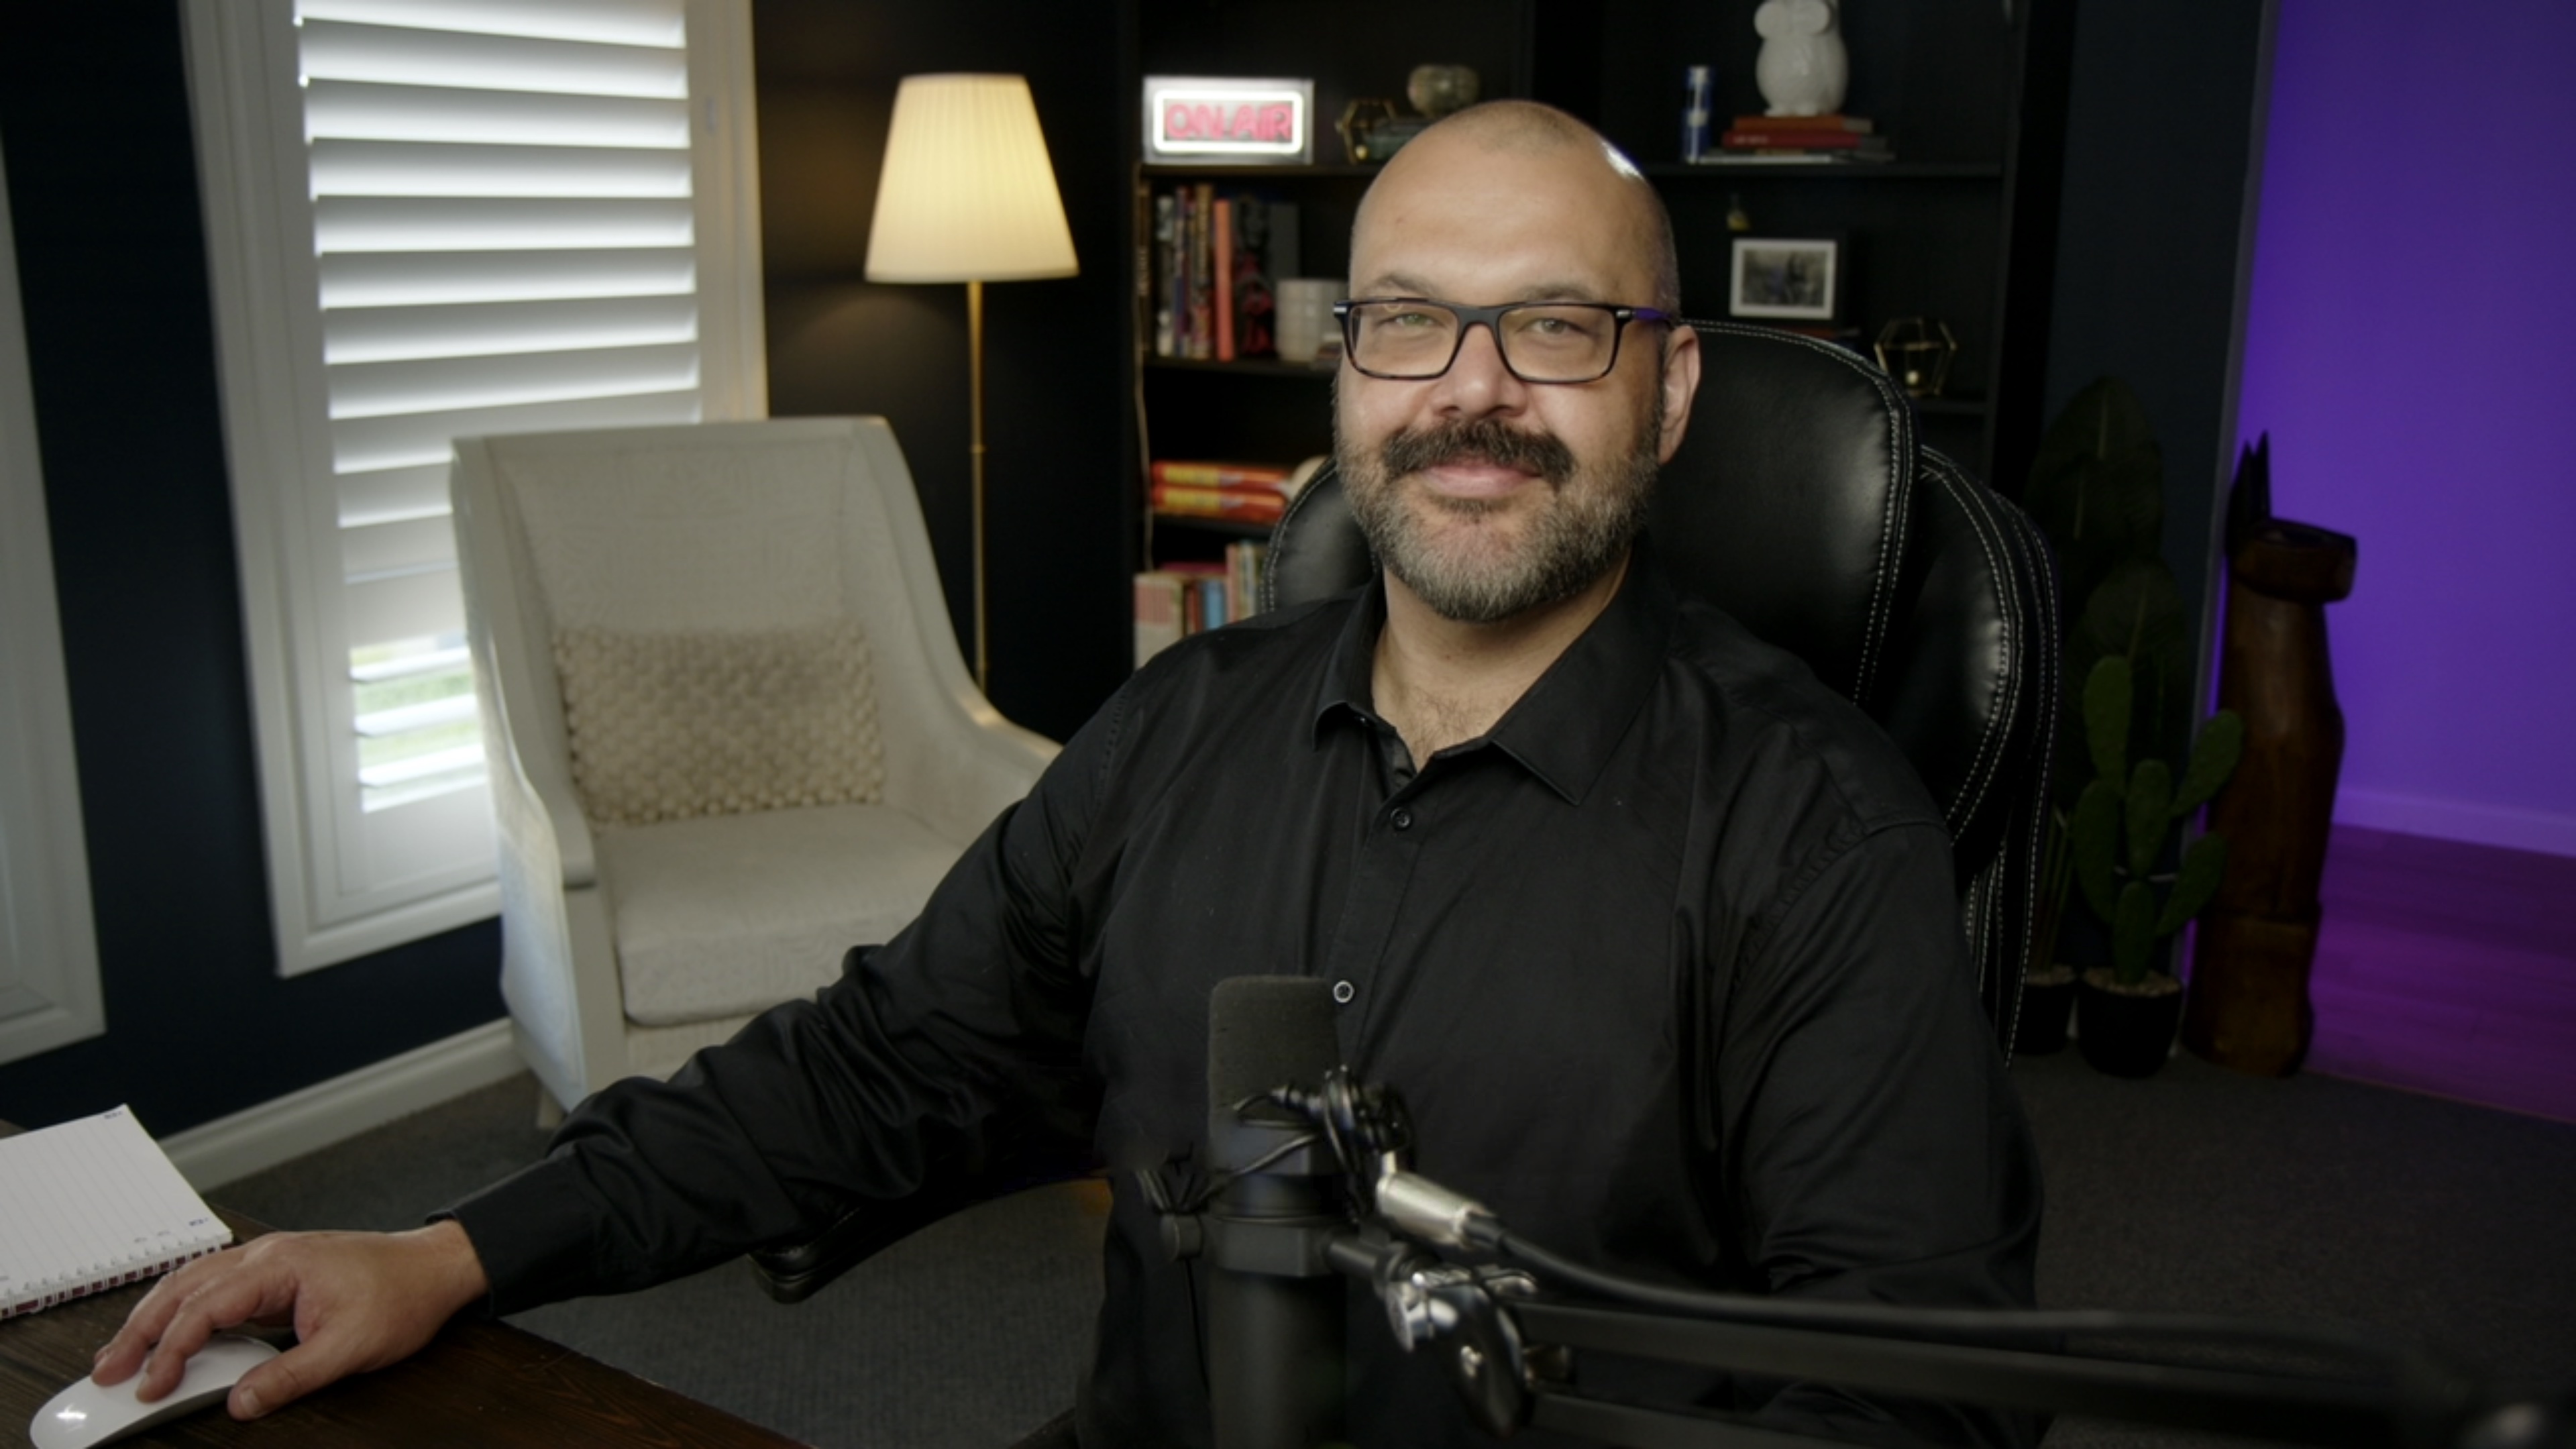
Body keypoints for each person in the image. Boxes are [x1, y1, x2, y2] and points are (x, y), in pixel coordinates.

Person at [95, 101, 2040, 1446]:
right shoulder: (1179, 734)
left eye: (1553, 324)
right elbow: (882, 1067)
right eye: (1407, 323)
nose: (1472, 391)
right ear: (1343, 367)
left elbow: (1907, 1391)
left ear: (1670, 387)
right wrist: (452, 1248)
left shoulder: (1820, 837)